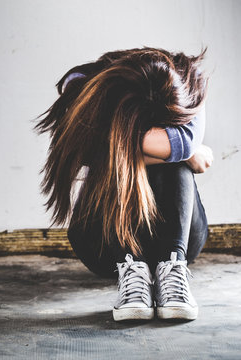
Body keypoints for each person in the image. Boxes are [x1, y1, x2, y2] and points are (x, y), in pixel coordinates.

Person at [34, 47, 213, 321]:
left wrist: (122, 145)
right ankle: (131, 266)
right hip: (104, 246)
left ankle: (173, 266)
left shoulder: (187, 82)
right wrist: (184, 153)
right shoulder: (82, 85)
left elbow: (184, 143)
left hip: (182, 238)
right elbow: (187, 150)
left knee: (162, 163)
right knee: (128, 163)